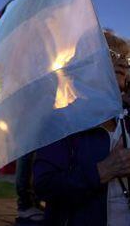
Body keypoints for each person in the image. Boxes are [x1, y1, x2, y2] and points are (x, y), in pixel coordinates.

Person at [33, 31, 130, 225]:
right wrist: (101, 171)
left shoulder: (127, 120)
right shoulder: (61, 120)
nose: (122, 62)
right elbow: (44, 186)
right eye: (111, 53)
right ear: (86, 64)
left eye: (126, 57)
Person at [0, 0, 44, 225]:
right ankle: (27, 203)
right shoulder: (19, 9)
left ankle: (33, 199)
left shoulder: (9, 9)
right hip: (23, 85)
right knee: (30, 144)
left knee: (34, 142)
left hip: (19, 84)